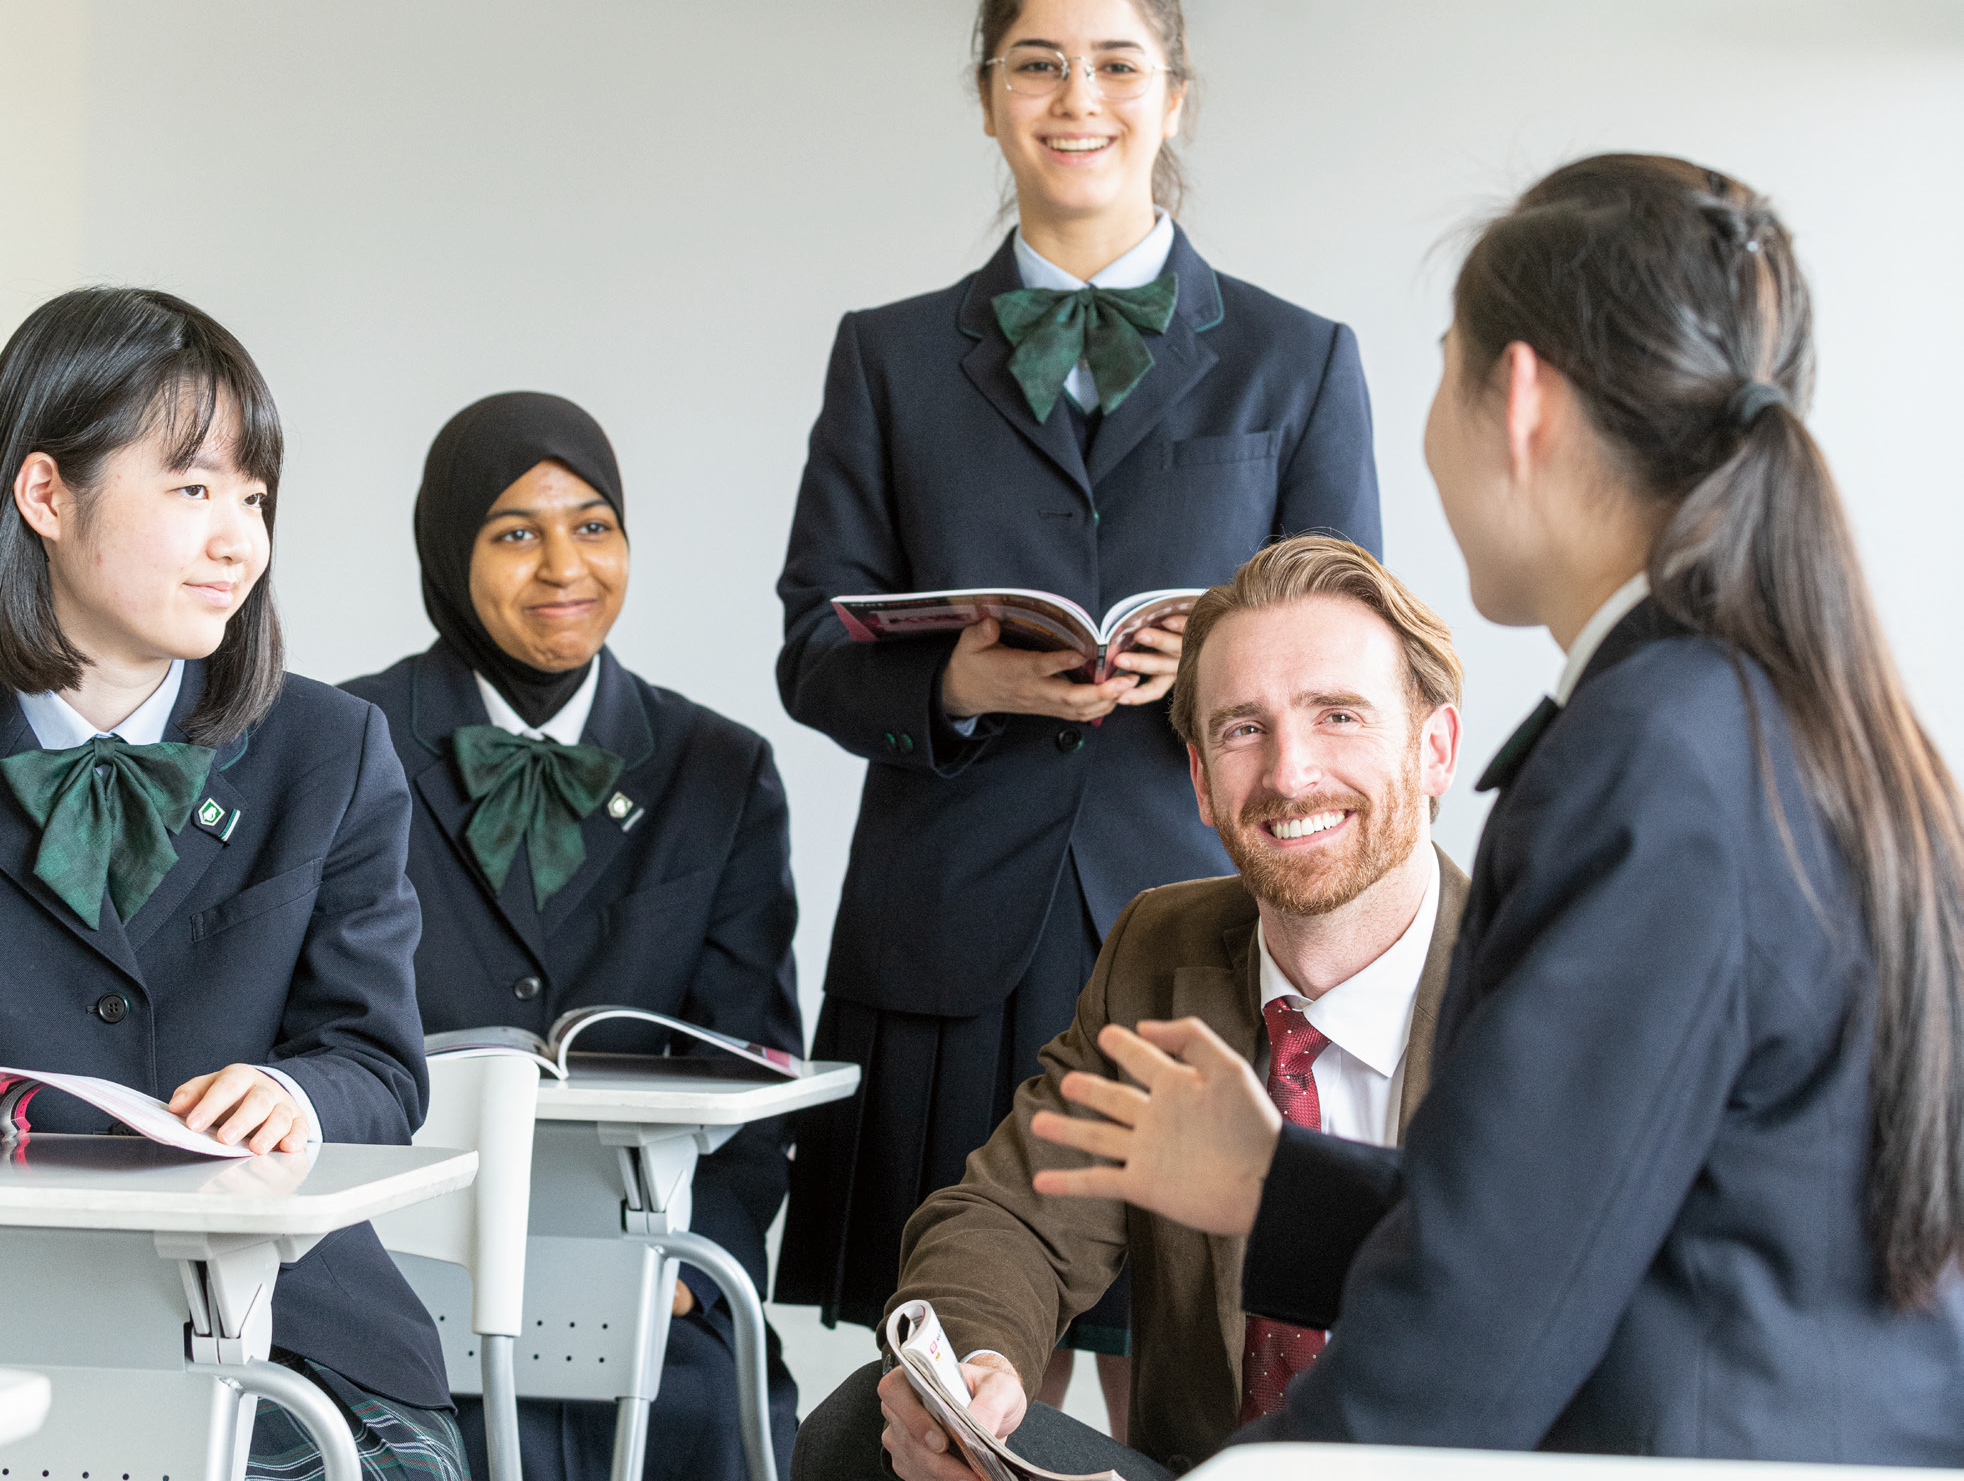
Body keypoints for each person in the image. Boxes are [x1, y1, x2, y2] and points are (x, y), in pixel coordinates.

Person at [1032, 155, 1964, 1461]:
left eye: (1441, 369)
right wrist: (1276, 1187)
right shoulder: (1768, 711)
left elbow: (1478, 1330)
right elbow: (1600, 1212)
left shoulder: (1649, 753)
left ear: (1517, 396)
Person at [773, 0, 1380, 1430]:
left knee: (1189, 1362)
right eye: (1037, 64)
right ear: (987, 96)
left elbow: (1353, 650)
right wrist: (960, 684)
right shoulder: (887, 357)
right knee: (962, 1367)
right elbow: (811, 648)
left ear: (1176, 96)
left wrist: (1213, 670)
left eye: (1117, 64)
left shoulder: (1299, 360)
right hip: (948, 924)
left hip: (1199, 917)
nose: (1078, 98)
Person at [790, 536, 1470, 1481]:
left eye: (1339, 716)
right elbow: (1015, 1218)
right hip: (1207, 1473)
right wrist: (973, 1372)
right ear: (1200, 780)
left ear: (1434, 749)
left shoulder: (1541, 985)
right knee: (866, 1433)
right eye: (1244, 729)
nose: (1290, 774)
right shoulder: (1162, 946)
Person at [0, 286, 467, 1481]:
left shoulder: (331, 749)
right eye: (193, 488)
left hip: (286, 1330)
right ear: (46, 492)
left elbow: (377, 1063)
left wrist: (291, 1092)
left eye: (254, 498)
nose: (239, 541)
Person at [342, 391, 803, 1481]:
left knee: (717, 1422)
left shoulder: (720, 768)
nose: (564, 567)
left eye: (593, 526)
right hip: (399, 1274)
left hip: (647, 1270)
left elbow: (756, 1065)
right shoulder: (346, 742)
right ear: (449, 553)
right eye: (516, 533)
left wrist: (693, 1264)